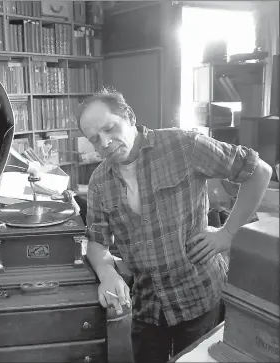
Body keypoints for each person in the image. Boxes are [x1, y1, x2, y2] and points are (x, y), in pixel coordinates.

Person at [78, 89, 272, 363]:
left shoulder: (183, 145)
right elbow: (97, 243)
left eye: (110, 128)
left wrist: (228, 233)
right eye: (95, 139)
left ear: (129, 116)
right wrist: (106, 272)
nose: (106, 143)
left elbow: (258, 170)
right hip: (147, 306)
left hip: (198, 295)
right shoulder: (99, 181)